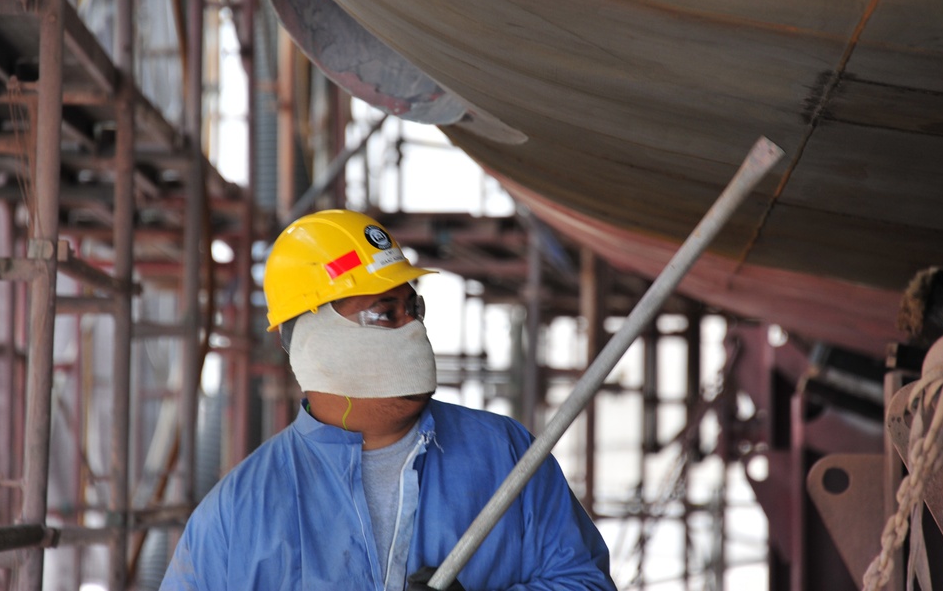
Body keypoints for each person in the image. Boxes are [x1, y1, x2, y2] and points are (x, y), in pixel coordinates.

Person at [160, 209, 615, 590]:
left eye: (413, 308)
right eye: (385, 313)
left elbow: (587, 581)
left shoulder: (506, 455)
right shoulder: (235, 518)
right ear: (310, 336)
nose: (413, 328)